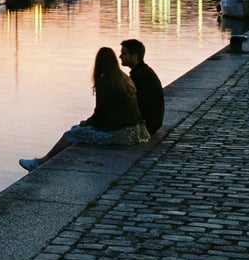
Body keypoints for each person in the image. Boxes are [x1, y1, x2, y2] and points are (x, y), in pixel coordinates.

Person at [19, 47, 150, 171]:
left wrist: (86, 123)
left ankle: (40, 163)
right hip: (137, 131)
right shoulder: (123, 79)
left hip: (122, 135)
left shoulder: (104, 82)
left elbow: (100, 113)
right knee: (79, 130)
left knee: (72, 133)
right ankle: (43, 162)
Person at [119, 38, 163, 134]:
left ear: (135, 56)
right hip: (154, 123)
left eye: (124, 53)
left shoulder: (138, 76)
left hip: (146, 125)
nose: (120, 56)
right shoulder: (144, 71)